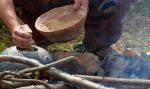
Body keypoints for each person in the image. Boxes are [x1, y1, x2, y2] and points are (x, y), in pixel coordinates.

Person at [0, 0, 132, 58]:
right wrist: (15, 27)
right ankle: (38, 48)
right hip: (36, 4)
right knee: (36, 54)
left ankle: (98, 46)